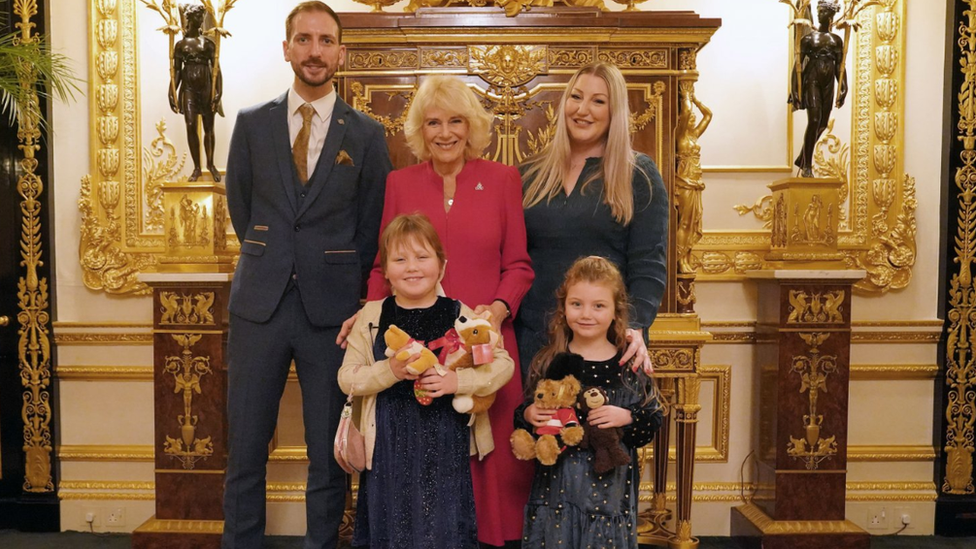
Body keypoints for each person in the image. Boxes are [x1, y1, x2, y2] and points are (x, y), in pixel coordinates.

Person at [222, 2, 392, 548]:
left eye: (325, 41)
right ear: (287, 48)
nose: (314, 51)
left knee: (328, 453)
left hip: (333, 315)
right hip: (259, 307)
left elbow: (371, 229)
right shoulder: (251, 125)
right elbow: (243, 209)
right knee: (245, 449)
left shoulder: (366, 134)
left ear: (341, 52)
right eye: (304, 39)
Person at [353, 73, 535, 547]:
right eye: (434, 122)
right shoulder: (399, 182)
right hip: (413, 338)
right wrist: (367, 315)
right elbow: (382, 264)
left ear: (472, 125)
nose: (445, 132)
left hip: (483, 339)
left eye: (456, 120)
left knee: (484, 451)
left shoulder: (502, 179)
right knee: (420, 451)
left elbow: (518, 265)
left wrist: (494, 313)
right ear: (420, 130)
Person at [338, 213, 514, 549]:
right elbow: (347, 378)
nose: (412, 267)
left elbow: (502, 365)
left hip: (445, 443)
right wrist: (389, 372)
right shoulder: (372, 317)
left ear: (442, 266)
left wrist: (456, 381)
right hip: (387, 446)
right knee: (393, 526)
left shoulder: (461, 314)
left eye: (422, 257)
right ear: (386, 270)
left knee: (442, 526)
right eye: (400, 259)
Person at [516, 62, 669, 380]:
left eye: (598, 101)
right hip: (535, 338)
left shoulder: (638, 175)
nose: (582, 109)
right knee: (536, 428)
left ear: (615, 112)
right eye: (575, 97)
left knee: (601, 429)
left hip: (607, 339)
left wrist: (635, 326)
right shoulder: (529, 174)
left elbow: (649, 263)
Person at [516, 256, 663, 548]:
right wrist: (530, 414)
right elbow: (526, 414)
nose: (586, 314)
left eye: (598, 306)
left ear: (615, 311)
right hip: (556, 495)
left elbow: (651, 420)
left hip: (609, 495)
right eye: (576, 304)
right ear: (563, 308)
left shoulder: (628, 364)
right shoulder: (549, 360)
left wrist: (627, 417)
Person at [790, 0, 847, 178]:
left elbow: (840, 66)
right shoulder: (809, 39)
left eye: (823, 12)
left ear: (830, 16)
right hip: (812, 80)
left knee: (822, 124)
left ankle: (803, 156)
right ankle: (807, 166)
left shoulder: (836, 40)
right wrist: (794, 90)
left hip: (828, 82)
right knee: (814, 120)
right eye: (819, 11)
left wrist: (843, 86)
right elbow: (797, 66)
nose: (820, 14)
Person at [170, 3, 222, 182]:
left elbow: (216, 69)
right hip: (189, 89)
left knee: (209, 127)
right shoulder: (180, 45)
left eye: (202, 18)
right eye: (198, 18)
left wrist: (218, 92)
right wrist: (172, 91)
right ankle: (197, 167)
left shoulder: (207, 44)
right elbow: (176, 70)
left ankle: (211, 164)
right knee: (191, 125)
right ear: (190, 19)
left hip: (206, 86)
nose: (201, 21)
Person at [674, 81, 711, 274]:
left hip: (696, 184)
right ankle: (680, 260)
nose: (692, 119)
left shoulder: (694, 136)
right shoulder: (680, 136)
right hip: (685, 183)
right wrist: (686, 96)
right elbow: (687, 112)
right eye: (689, 118)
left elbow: (708, 115)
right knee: (685, 223)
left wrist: (695, 99)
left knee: (693, 222)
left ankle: (686, 257)